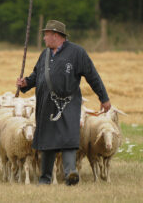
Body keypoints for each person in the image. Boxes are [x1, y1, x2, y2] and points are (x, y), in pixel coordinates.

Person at [16, 20, 111, 186]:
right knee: (46, 141)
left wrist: (104, 98)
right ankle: (45, 179)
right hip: (46, 104)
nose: (44, 38)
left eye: (46, 35)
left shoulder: (77, 53)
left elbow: (92, 76)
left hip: (68, 103)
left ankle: (70, 174)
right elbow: (36, 76)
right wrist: (25, 83)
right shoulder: (45, 55)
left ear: (55, 35)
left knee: (68, 138)